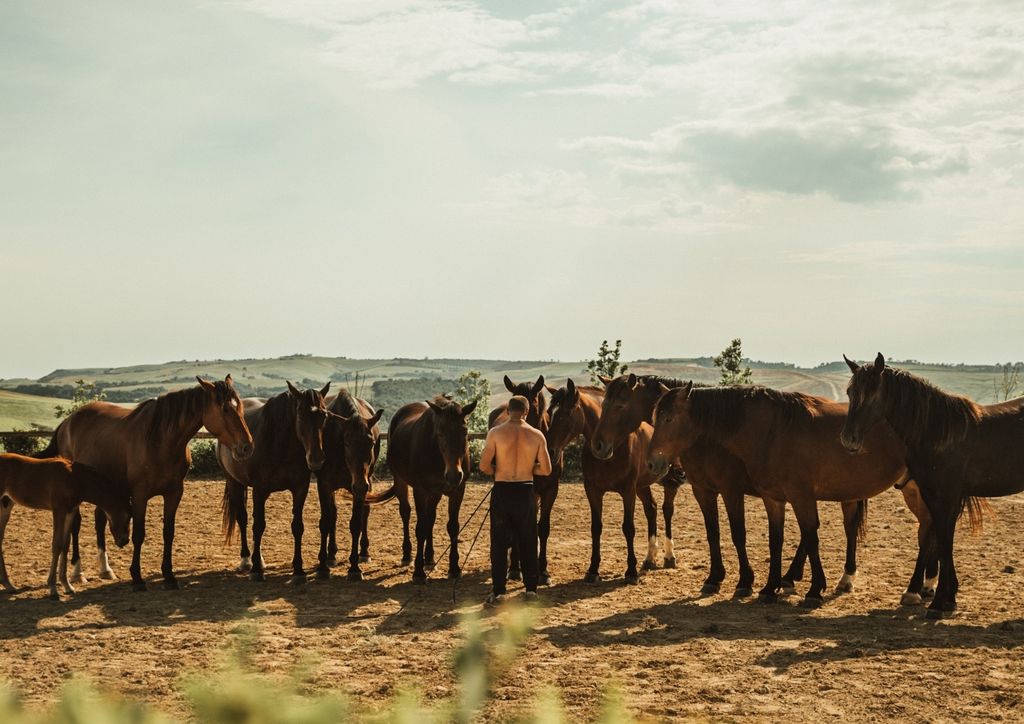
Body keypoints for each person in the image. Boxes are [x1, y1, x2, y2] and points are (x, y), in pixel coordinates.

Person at [479, 394, 552, 605]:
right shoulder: (537, 435)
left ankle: (500, 592)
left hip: (502, 490)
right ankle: (530, 590)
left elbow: (484, 466)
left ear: (508, 411)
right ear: (527, 412)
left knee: (499, 543)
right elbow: (546, 469)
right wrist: (530, 467)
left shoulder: (495, 433)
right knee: (528, 540)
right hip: (525, 490)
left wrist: (499, 468)